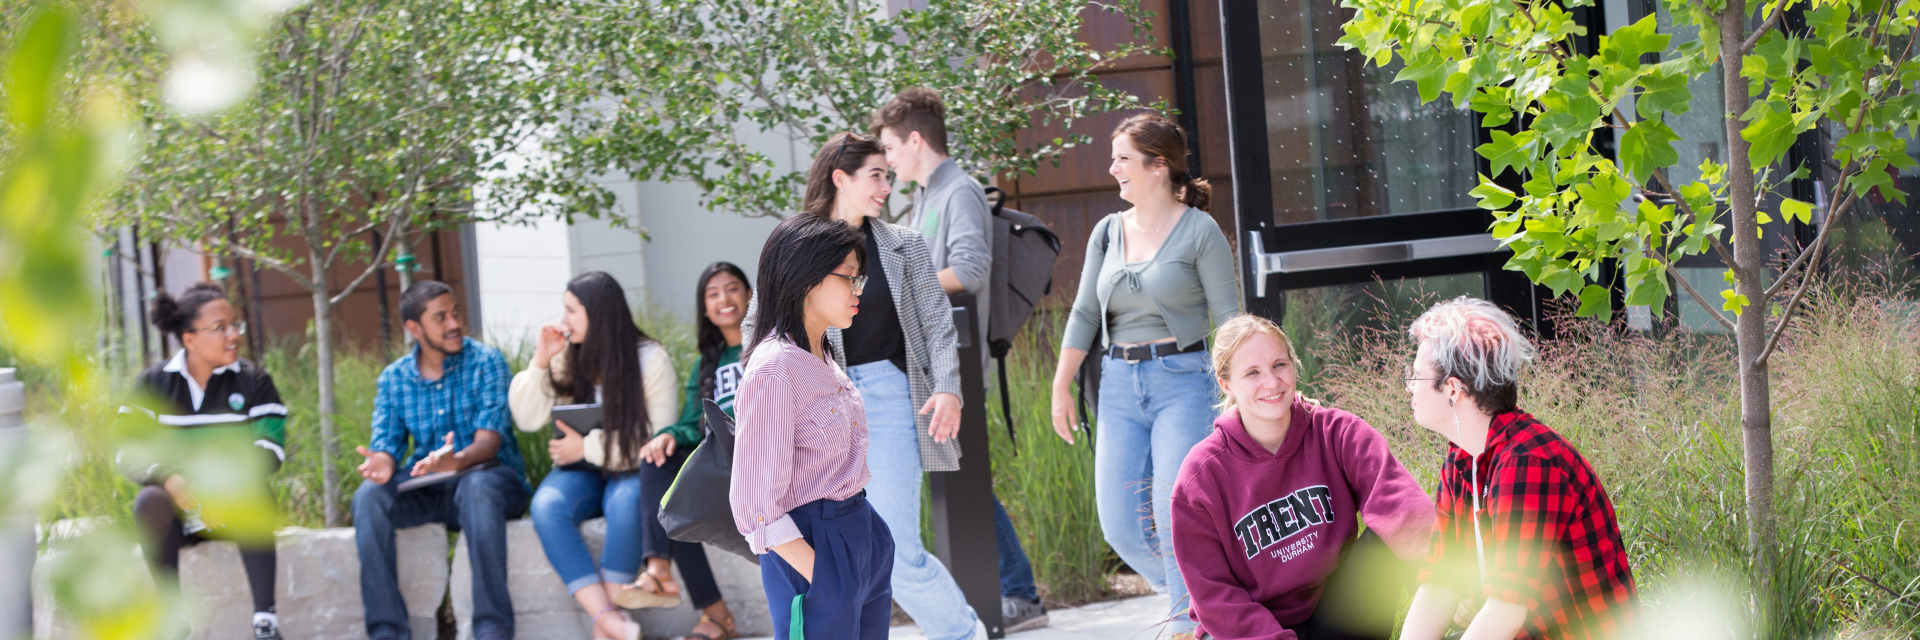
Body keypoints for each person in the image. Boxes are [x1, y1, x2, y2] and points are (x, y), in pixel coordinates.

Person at [742, 131, 986, 639]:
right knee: (834, 548)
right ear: (840, 178)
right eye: (876, 174)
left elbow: (937, 322)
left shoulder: (902, 244)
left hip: (885, 393)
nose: (886, 185)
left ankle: (964, 634)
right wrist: (763, 392)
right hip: (807, 390)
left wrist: (948, 386)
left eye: (888, 174)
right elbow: (759, 321)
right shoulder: (801, 247)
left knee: (895, 542)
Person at [1047, 113, 1240, 636]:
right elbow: (1086, 312)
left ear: (1159, 167)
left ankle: (1185, 625)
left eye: (1123, 159)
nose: (1112, 169)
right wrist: (1061, 385)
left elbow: (1229, 320)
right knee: (1121, 525)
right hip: (1116, 385)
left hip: (1184, 378)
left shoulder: (1199, 232)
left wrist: (1240, 392)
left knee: (1171, 510)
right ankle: (1215, 601)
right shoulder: (1108, 231)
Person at [874, 87, 1047, 632]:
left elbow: (969, 270)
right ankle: (1008, 595)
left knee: (967, 476)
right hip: (932, 363)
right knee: (961, 478)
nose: (889, 162)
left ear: (916, 140)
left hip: (957, 363)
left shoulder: (959, 191)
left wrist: (902, 289)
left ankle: (1019, 595)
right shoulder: (926, 196)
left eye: (891, 150)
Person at [1170, 315, 1435, 639]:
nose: (1272, 382)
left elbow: (1400, 504)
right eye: (1252, 372)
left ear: (1294, 366)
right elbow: (1213, 596)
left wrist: (1445, 578)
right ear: (1227, 384)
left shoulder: (1337, 433)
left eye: (1279, 365)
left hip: (1333, 616)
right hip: (1249, 631)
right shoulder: (1202, 475)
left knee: (1383, 544)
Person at [1397, 297, 1637, 640]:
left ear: (1453, 388)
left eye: (1417, 377)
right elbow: (1440, 581)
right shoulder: (1462, 459)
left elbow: (1505, 608)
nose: (1408, 386)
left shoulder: (1529, 461)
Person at [510, 271, 725, 640]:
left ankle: (604, 628)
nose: (563, 321)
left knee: (628, 503)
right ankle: (609, 619)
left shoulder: (649, 359)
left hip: (628, 471)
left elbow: (656, 441)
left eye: (571, 311)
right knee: (546, 505)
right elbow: (527, 419)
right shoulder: (566, 356)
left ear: (599, 314)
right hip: (579, 473)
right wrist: (541, 361)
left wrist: (587, 446)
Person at [731, 213, 893, 639]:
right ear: (806, 279)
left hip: (859, 532)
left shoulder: (822, 352)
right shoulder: (774, 371)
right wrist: (824, 577)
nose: (860, 289)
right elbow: (756, 506)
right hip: (813, 544)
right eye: (850, 278)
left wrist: (871, 547)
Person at [353, 281, 530, 640]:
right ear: (414, 329)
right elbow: (386, 442)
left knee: (477, 487)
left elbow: (489, 442)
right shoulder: (394, 379)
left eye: (455, 313)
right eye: (440, 318)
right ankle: (387, 632)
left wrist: (457, 461)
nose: (453, 324)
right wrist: (384, 463)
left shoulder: (486, 361)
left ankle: (492, 629)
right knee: (368, 498)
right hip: (433, 488)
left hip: (493, 482)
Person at [118, 282, 288, 640]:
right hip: (181, 515)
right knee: (150, 500)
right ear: (189, 338)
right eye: (220, 327)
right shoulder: (153, 384)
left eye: (235, 325)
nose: (234, 335)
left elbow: (270, 450)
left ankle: (265, 623)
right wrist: (170, 479)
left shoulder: (254, 381)